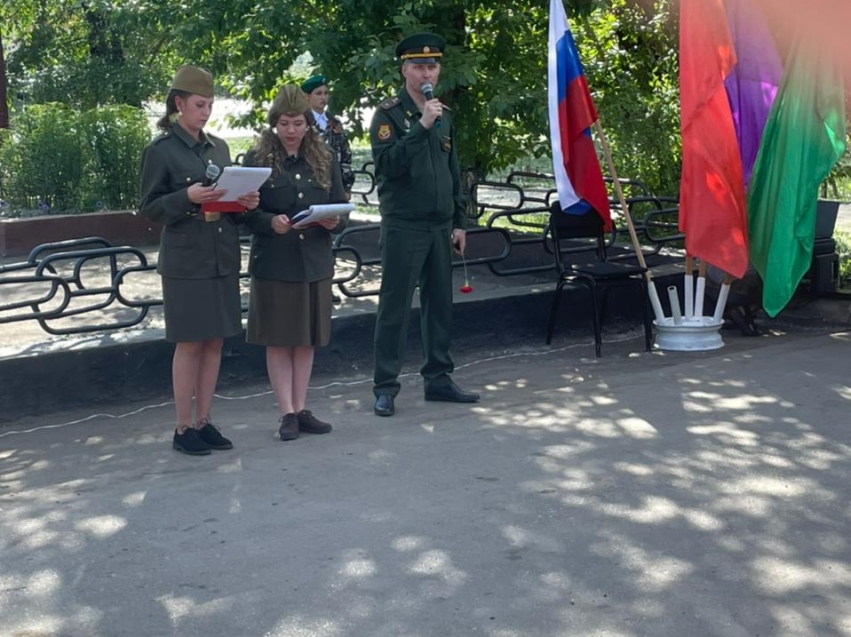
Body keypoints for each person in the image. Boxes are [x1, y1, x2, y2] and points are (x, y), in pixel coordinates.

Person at [139, 65, 260, 456]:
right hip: (186, 261)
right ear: (179, 104)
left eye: (210, 105)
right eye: (199, 104)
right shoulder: (161, 151)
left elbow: (227, 204)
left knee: (214, 342)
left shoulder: (218, 147)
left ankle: (205, 420)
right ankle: (182, 427)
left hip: (220, 254)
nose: (206, 112)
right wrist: (185, 198)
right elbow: (150, 209)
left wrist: (245, 203)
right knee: (189, 343)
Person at [369, 32, 480, 417]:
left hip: (439, 226)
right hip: (404, 225)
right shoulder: (388, 114)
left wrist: (459, 221)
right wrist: (420, 126)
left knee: (440, 306)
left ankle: (439, 379)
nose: (426, 72)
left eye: (432, 65)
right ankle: (385, 386)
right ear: (404, 70)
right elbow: (387, 167)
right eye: (418, 66)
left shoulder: (443, 115)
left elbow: (453, 172)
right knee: (395, 307)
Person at [242, 85, 348, 441]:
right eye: (284, 123)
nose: (291, 130)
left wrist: (335, 221)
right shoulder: (256, 160)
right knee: (279, 340)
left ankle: (301, 408)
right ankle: (285, 413)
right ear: (274, 124)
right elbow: (244, 213)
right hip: (275, 262)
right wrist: (268, 222)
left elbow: (339, 204)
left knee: (306, 340)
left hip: (314, 261)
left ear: (308, 124)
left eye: (298, 123)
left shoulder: (324, 157)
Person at [301, 74, 355, 199]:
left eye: (326, 93)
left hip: (336, 184)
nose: (323, 97)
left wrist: (347, 186)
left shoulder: (334, 122)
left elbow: (345, 155)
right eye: (318, 93)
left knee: (338, 218)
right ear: (308, 96)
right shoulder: (302, 122)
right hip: (310, 183)